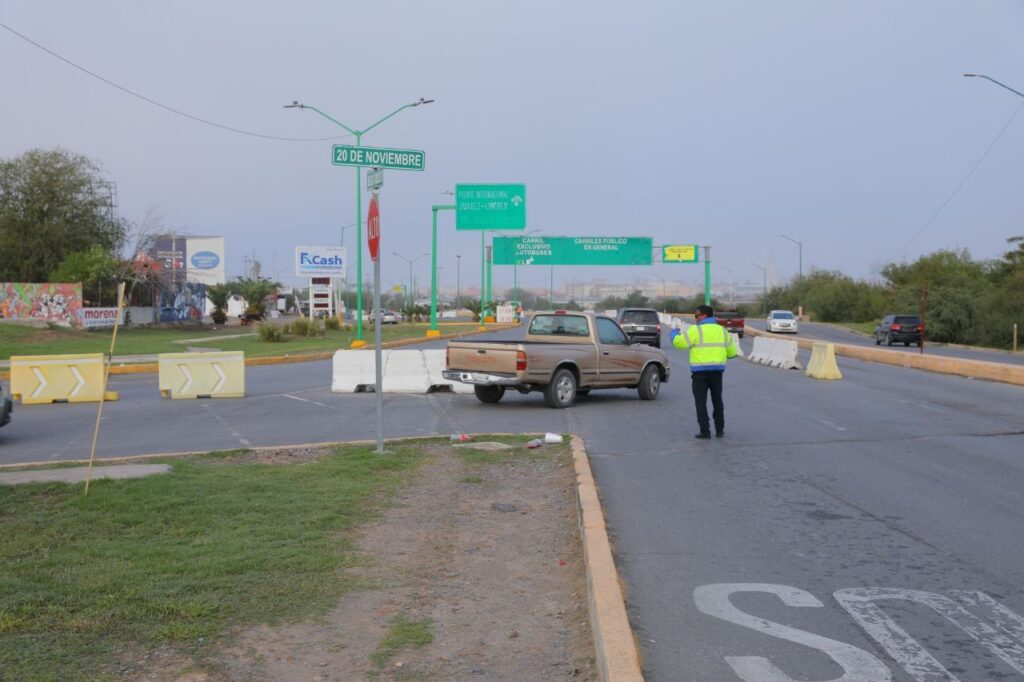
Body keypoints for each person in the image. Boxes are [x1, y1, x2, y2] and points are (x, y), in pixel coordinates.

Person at [670, 304, 738, 439]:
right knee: (717, 400)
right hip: (717, 372)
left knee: (701, 402)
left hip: (700, 373)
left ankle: (705, 431)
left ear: (704, 316)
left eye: (696, 315)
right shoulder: (722, 331)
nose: (695, 318)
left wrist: (674, 333)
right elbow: (732, 353)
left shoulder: (696, 330)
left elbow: (680, 343)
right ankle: (720, 430)